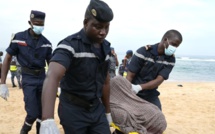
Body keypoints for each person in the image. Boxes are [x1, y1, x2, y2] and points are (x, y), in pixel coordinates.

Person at [40, 0, 114, 134]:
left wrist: (108, 111)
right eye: (97, 27)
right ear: (86, 23)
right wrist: (47, 118)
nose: (103, 32)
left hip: (96, 109)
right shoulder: (70, 45)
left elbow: (105, 82)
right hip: (73, 109)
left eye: (106, 27)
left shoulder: (106, 48)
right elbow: (52, 76)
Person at [0, 10, 52, 134]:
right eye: (36, 23)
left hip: (43, 79)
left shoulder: (47, 43)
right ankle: (24, 130)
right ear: (30, 23)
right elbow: (7, 58)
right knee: (32, 113)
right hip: (28, 78)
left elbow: (52, 65)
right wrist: (2, 83)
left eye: (42, 24)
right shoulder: (19, 38)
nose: (39, 26)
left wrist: (57, 85)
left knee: (42, 114)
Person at [126, 29, 183, 110]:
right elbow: (130, 76)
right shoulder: (143, 52)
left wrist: (139, 87)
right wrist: (127, 92)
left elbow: (159, 80)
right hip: (132, 90)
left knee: (158, 116)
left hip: (150, 94)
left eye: (176, 46)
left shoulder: (170, 60)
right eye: (173, 44)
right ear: (165, 40)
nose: (174, 48)